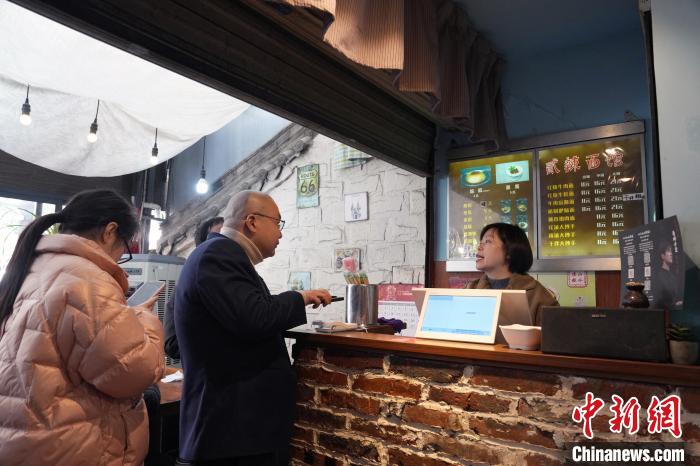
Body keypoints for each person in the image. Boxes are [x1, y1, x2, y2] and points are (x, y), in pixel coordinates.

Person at [0, 189, 165, 466]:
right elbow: (133, 372)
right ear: (110, 232)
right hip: (71, 447)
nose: (120, 258)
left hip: (28, 441)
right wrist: (144, 319)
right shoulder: (88, 279)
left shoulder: (32, 269)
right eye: (125, 248)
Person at [175, 190, 331, 465]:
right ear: (252, 222)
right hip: (230, 432)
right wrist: (300, 297)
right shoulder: (218, 255)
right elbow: (254, 317)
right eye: (278, 223)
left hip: (238, 430)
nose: (280, 233)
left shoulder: (224, 256)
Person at [467, 222, 558, 325]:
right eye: (480, 242)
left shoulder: (539, 297)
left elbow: (555, 333)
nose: (479, 247)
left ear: (510, 251)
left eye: (487, 241)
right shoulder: (470, 289)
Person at [163, 216, 224, 360]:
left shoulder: (243, 280)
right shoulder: (188, 285)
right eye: (219, 236)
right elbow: (172, 345)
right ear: (202, 249)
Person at [654, 240, 683, 309]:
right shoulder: (658, 276)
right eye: (668, 251)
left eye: (671, 251)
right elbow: (659, 301)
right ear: (662, 256)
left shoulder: (673, 276)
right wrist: (674, 305)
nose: (671, 254)